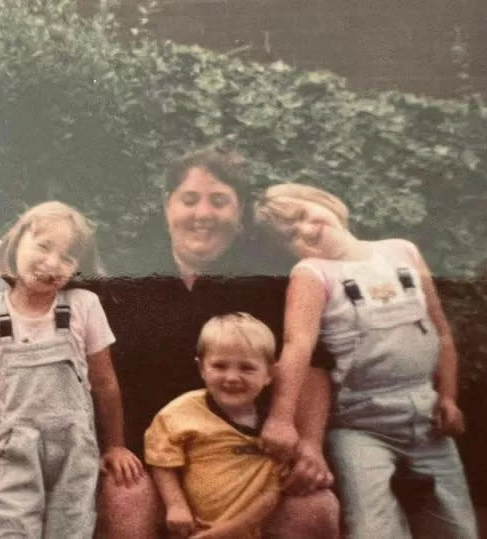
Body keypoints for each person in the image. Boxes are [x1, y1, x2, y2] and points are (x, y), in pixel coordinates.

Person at [95, 148, 339, 538]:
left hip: (251, 460)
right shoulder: (128, 273)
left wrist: (310, 443)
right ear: (167, 205)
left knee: (316, 509)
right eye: (189, 200)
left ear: (240, 212)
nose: (203, 214)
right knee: (125, 502)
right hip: (153, 460)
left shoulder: (271, 275)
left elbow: (312, 361)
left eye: (219, 201)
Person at [254, 183, 477, 538]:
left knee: (457, 528)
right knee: (374, 529)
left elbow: (442, 333)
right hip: (360, 425)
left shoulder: (402, 252)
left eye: (303, 215)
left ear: (325, 202)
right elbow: (297, 346)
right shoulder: (311, 273)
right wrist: (282, 419)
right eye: (290, 235)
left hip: (427, 418)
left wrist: (448, 397)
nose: (306, 230)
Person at [0, 201, 143, 538]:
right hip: (13, 450)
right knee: (14, 528)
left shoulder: (84, 306)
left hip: (74, 448)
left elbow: (104, 382)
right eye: (43, 246)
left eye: (67, 257)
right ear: (15, 244)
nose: (52, 263)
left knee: (72, 526)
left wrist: (115, 444)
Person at [146, 313, 284, 539]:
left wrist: (226, 532)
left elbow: (272, 492)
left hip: (244, 530)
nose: (231, 377)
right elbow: (162, 462)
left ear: (269, 373)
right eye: (219, 366)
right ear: (201, 368)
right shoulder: (180, 412)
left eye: (247, 368)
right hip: (191, 528)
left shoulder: (274, 426)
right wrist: (176, 505)